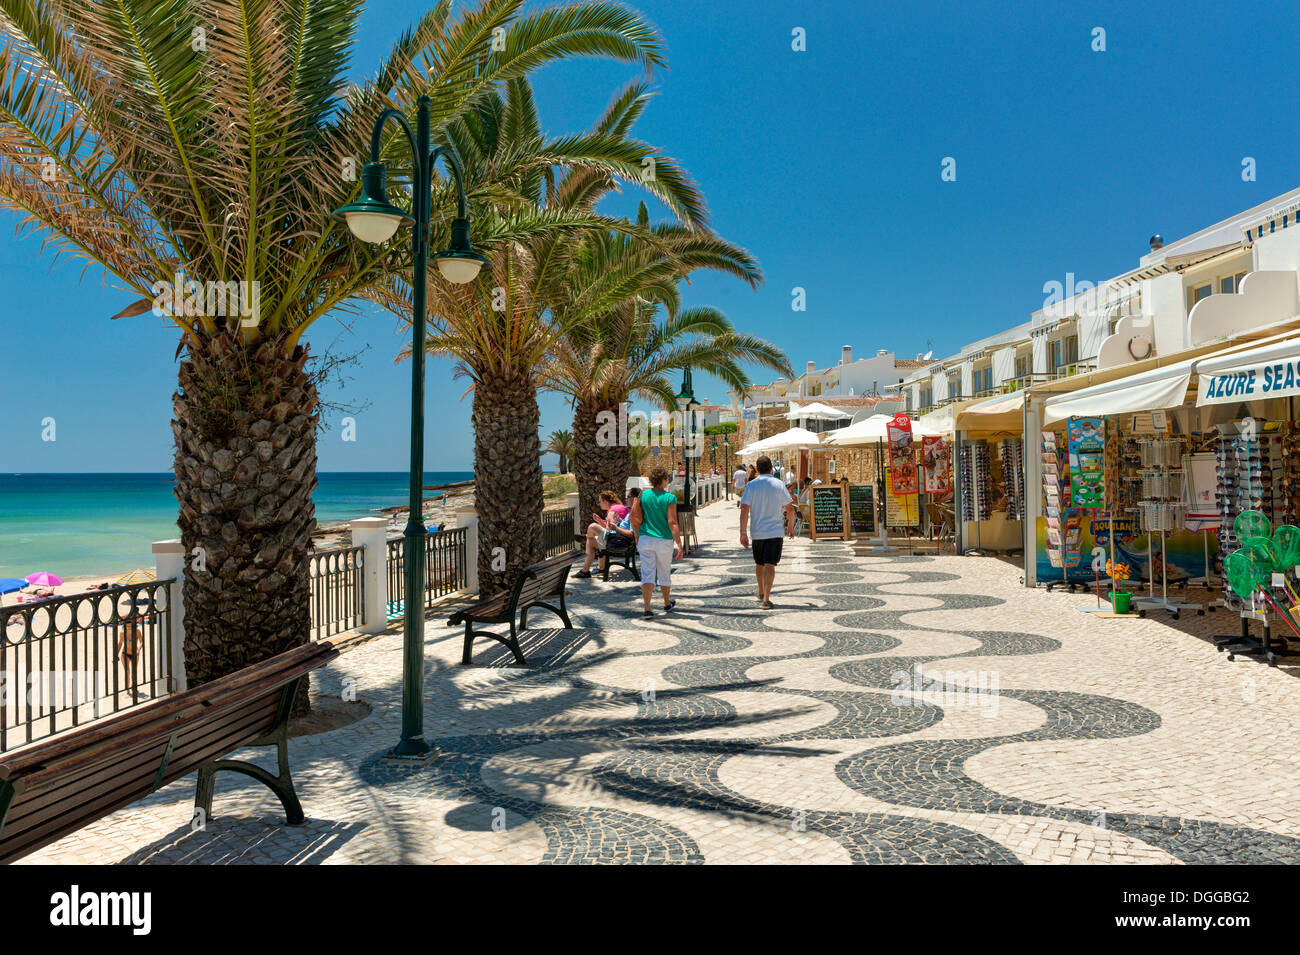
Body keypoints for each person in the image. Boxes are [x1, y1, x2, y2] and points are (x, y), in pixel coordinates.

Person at [739, 455, 796, 609]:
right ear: (772, 469)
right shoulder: (779, 484)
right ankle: (766, 598)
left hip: (757, 532)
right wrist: (790, 527)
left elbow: (744, 509)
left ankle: (761, 590)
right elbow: (790, 508)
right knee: (770, 564)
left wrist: (742, 532)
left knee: (759, 563)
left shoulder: (751, 486)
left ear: (757, 470)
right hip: (775, 532)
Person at [631, 466, 680, 618]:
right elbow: (672, 522)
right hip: (664, 540)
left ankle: (647, 608)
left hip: (645, 539)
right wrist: (679, 544)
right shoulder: (670, 498)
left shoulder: (644, 495)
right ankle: (666, 603)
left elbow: (634, 516)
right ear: (663, 480)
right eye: (667, 479)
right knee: (664, 572)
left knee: (647, 574)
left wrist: (637, 535)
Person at [576, 490, 625, 578]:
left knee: (592, 527)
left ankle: (586, 570)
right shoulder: (619, 507)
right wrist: (600, 521)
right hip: (623, 539)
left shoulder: (612, 510)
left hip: (617, 542)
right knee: (591, 541)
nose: (599, 504)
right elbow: (613, 526)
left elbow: (610, 529)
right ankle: (596, 569)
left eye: (600, 501)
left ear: (606, 502)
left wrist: (598, 525)